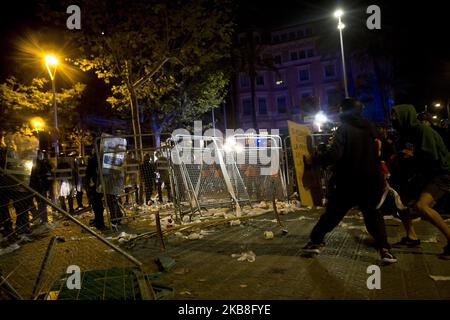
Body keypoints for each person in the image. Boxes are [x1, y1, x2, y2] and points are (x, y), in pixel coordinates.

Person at [302, 98, 397, 263]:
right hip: (372, 181)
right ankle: (385, 249)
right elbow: (388, 149)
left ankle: (315, 242)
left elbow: (334, 155)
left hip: (349, 180)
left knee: (333, 213)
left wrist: (314, 160)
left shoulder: (344, 129)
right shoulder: (371, 128)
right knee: (373, 214)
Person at [391, 104, 450, 259]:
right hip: (424, 174)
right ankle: (412, 237)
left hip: (442, 173)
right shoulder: (405, 134)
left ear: (405, 116)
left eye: (395, 115)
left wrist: (411, 156)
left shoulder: (422, 131)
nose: (393, 119)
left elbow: (431, 157)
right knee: (401, 203)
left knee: (421, 206)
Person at [85, 149, 106, 230]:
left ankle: (99, 223)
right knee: (97, 205)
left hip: (95, 185)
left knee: (97, 205)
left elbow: (89, 173)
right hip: (98, 184)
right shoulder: (100, 159)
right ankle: (99, 221)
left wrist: (89, 185)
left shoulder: (94, 160)